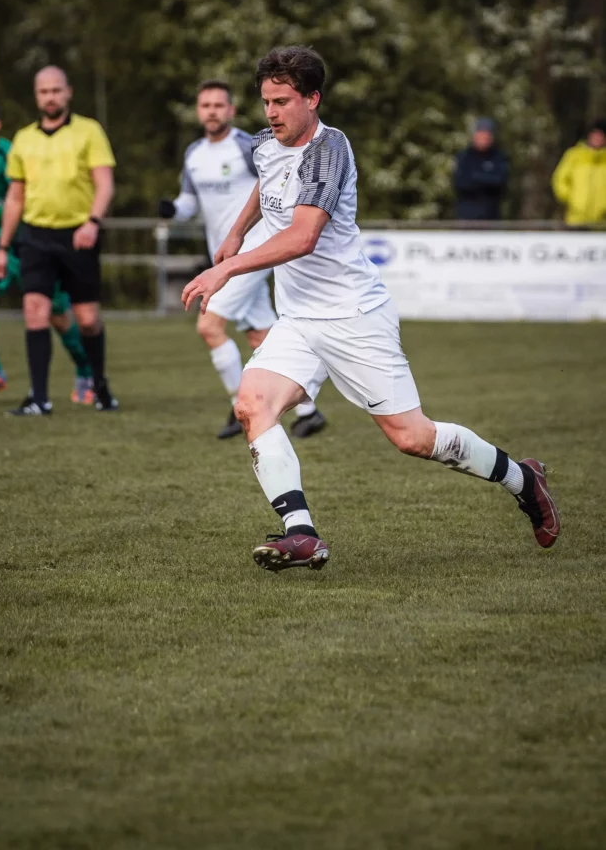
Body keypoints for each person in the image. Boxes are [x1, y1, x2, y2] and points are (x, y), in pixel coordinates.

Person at [182, 46, 560, 572]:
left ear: (313, 99)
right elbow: (266, 184)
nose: (270, 113)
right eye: (265, 101)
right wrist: (236, 231)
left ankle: (524, 479)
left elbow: (303, 236)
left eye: (282, 102)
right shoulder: (266, 142)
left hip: (353, 314)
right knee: (252, 405)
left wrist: (229, 267)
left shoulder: (328, 150)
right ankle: (302, 535)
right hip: (298, 319)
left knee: (413, 438)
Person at [159, 79, 326, 440]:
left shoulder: (247, 146)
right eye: (206, 106)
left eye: (219, 105)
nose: (212, 112)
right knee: (260, 335)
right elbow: (189, 201)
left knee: (209, 326)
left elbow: (275, 183)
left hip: (253, 250)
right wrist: (173, 209)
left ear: (231, 110)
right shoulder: (194, 154)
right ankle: (309, 412)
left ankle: (240, 407)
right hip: (224, 254)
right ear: (198, 111)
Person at [0, 66, 118, 415]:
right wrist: (2, 247)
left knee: (87, 319)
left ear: (68, 92)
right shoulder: (23, 139)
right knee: (35, 311)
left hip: (78, 235)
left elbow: (105, 184)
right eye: (44, 91)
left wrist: (92, 223)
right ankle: (39, 398)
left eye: (56, 90)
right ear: (37, 96)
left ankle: (99, 385)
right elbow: (14, 197)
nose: (50, 97)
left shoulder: (89, 131)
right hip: (35, 236)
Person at [0, 96, 93, 403]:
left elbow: (21, 201)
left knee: (58, 317)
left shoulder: (12, 153)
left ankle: (87, 373)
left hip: (31, 244)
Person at [551, 119, 606, 225]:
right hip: (575, 218)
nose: (598, 138)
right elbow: (559, 179)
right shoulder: (574, 155)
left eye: (601, 136)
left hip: (602, 221)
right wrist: (570, 199)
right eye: (595, 135)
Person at [453, 118, 509, 220]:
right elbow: (460, 183)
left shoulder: (498, 157)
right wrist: (486, 179)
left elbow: (500, 182)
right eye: (481, 133)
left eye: (487, 134)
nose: (484, 137)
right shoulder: (464, 157)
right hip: (467, 217)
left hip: (491, 216)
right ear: (475, 135)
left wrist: (474, 177)